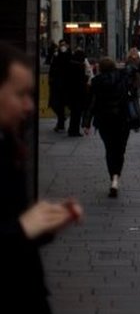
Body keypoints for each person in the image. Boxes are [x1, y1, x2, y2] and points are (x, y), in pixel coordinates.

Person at [1, 42, 83, 312]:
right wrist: (24, 228)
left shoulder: (10, 146)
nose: (29, 106)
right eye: (20, 94)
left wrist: (42, 225)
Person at [82, 58, 133, 197]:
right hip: (123, 120)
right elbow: (131, 94)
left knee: (110, 150)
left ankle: (113, 178)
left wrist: (86, 123)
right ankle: (116, 177)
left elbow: (91, 103)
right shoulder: (122, 78)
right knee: (120, 150)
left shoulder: (96, 82)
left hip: (104, 120)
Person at [65, 48, 90, 137]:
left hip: (71, 94)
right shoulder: (79, 66)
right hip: (78, 94)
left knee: (74, 113)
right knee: (77, 114)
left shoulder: (70, 65)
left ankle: (72, 129)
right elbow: (82, 81)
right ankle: (74, 131)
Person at [48, 40, 71, 132]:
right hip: (56, 84)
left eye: (64, 45)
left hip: (64, 85)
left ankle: (60, 123)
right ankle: (61, 119)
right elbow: (52, 67)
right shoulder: (56, 56)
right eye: (61, 45)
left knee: (60, 104)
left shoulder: (68, 56)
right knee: (54, 104)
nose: (63, 47)